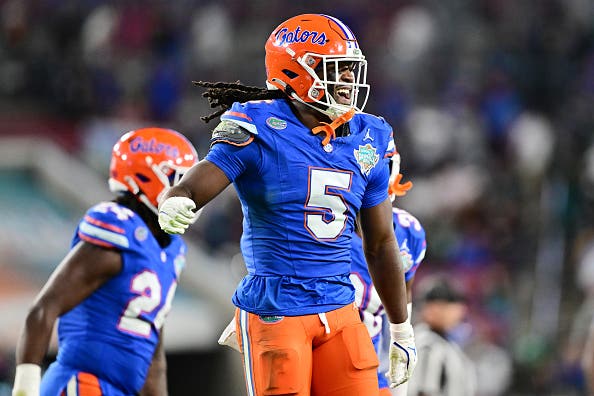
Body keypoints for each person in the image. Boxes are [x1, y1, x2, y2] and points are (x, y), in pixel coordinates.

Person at [158, 13, 416, 396]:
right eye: (336, 69)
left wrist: (402, 328)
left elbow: (380, 243)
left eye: (350, 69)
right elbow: (196, 184)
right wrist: (174, 200)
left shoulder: (370, 136)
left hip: (340, 306)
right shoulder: (258, 126)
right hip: (277, 308)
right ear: (296, 72)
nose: (347, 80)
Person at [11, 128, 199, 396]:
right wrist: (25, 385)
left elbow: (154, 357)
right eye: (179, 180)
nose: (190, 192)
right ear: (148, 178)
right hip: (83, 382)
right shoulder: (117, 227)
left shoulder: (172, 249)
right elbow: (44, 307)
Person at [350, 150, 427, 396]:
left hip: (371, 368)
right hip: (324, 352)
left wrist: (403, 343)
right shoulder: (329, 227)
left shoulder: (409, 232)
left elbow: (404, 296)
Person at [406, 277, 477, 396]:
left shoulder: (443, 342)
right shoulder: (427, 345)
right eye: (453, 305)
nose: (460, 312)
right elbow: (424, 392)